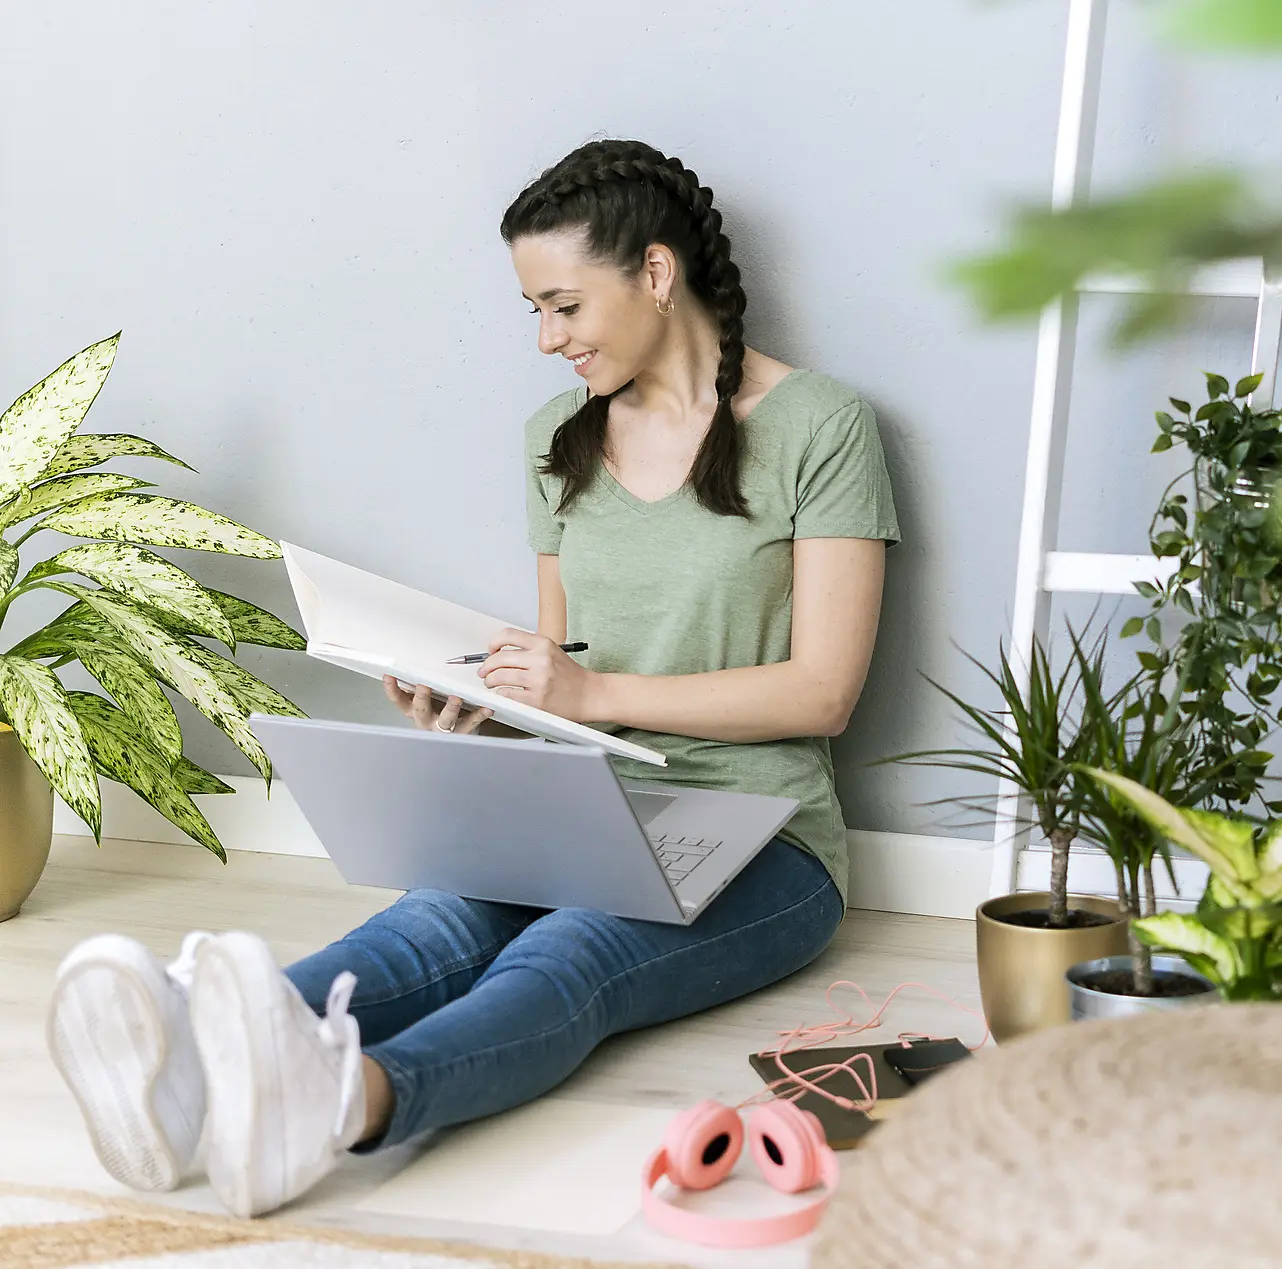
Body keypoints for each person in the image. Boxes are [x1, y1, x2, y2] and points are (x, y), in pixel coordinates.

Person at [44, 138, 897, 1218]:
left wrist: (587, 699)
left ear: (654, 273)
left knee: (567, 957)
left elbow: (822, 692)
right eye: (532, 311)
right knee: (431, 924)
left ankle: (340, 1103)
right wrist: (488, 716)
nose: (547, 340)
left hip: (765, 837)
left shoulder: (819, 428)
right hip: (589, 799)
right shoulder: (557, 441)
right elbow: (566, 683)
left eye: (564, 306)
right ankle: (183, 1057)